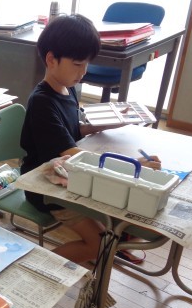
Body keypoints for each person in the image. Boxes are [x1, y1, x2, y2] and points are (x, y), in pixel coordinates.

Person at [20, 14, 161, 264]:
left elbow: (73, 130)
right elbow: (71, 154)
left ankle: (116, 239)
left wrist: (114, 121)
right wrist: (130, 165)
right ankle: (36, 270)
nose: (83, 72)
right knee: (99, 246)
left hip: (69, 177)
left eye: (86, 64)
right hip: (47, 189)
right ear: (51, 59)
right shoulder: (42, 102)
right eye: (77, 64)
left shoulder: (67, 87)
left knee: (129, 209)